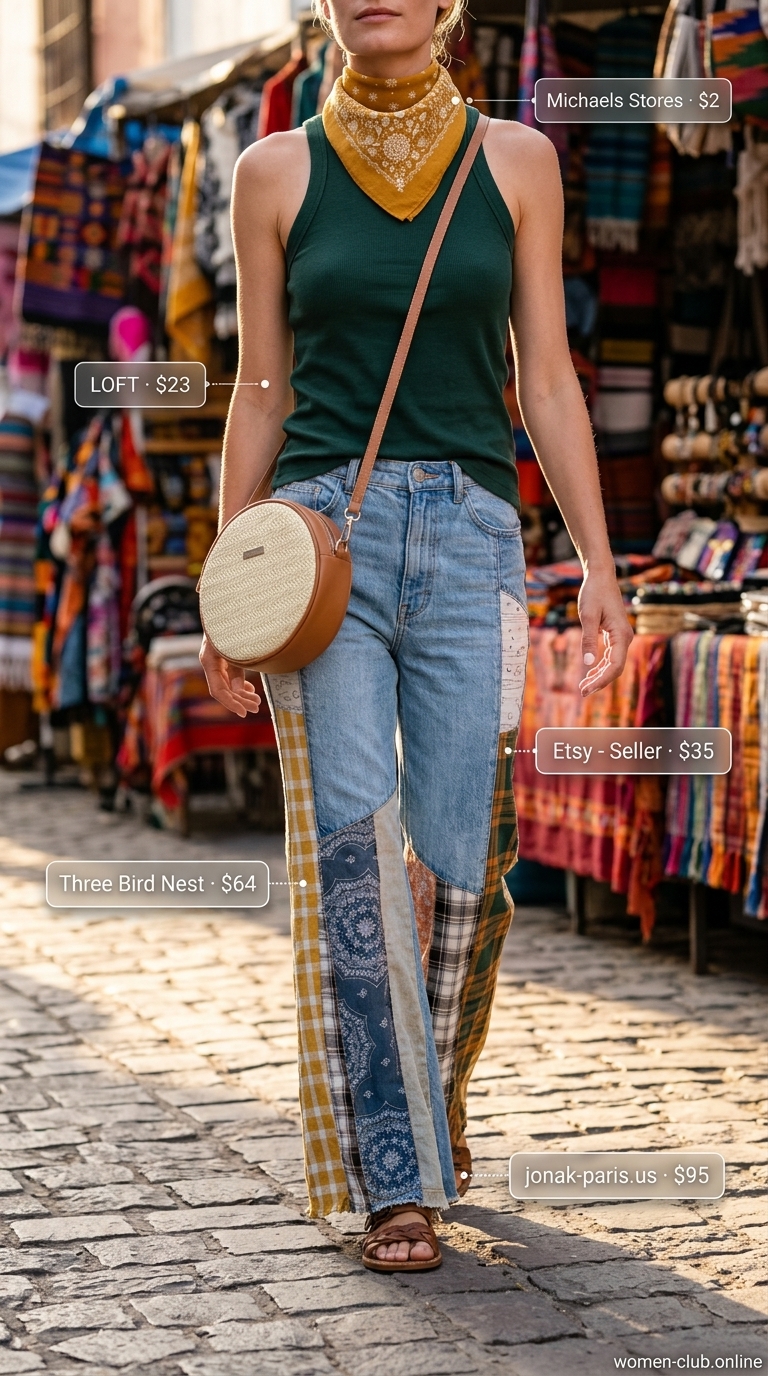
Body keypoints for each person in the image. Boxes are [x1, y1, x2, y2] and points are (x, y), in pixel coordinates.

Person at [200, 0, 633, 1271]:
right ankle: (398, 1177)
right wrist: (233, 572)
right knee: (354, 851)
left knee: (459, 862)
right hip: (320, 543)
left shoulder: (521, 160)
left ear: (449, 4)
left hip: (480, 548)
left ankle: (430, 1108)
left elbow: (545, 376)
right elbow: (263, 387)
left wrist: (598, 564)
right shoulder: (271, 168)